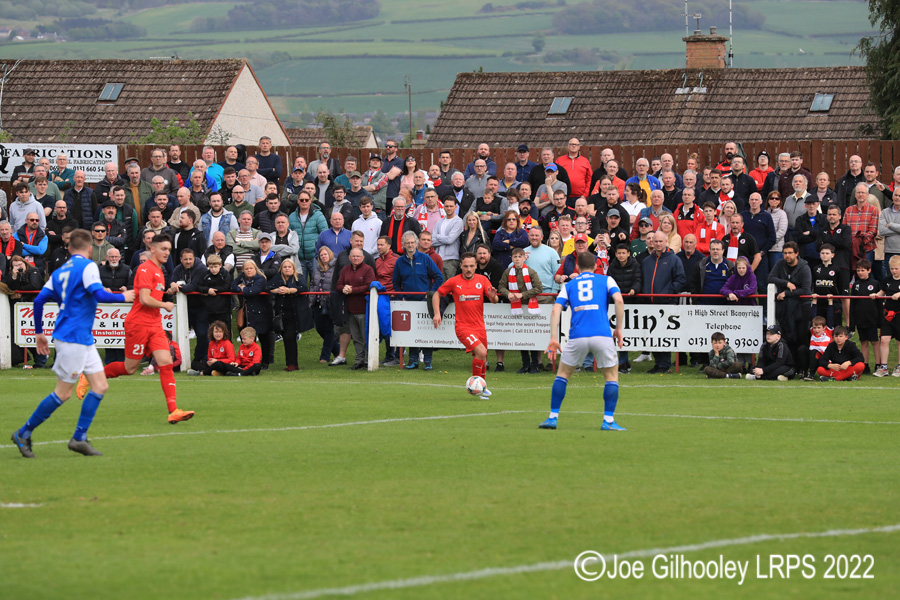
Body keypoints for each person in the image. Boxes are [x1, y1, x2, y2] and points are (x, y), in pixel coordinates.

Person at [10, 230, 136, 458]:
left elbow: (39, 300)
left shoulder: (59, 272)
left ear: (68, 248)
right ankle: (23, 432)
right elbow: (100, 295)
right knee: (63, 393)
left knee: (100, 385)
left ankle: (79, 438)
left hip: (81, 338)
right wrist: (124, 297)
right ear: (89, 249)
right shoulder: (88, 266)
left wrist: (39, 332)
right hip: (73, 337)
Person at [76, 233, 195, 424]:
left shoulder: (160, 270)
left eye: (169, 250)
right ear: (152, 249)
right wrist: (164, 304)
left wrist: (167, 294)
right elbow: (144, 299)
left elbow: (151, 295)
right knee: (129, 368)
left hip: (154, 324)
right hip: (138, 324)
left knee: (165, 362)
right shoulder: (145, 269)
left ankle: (173, 411)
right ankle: (90, 375)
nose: (167, 253)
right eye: (164, 249)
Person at [538, 251, 626, 430]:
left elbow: (556, 310)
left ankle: (553, 417)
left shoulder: (570, 285)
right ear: (595, 266)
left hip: (577, 335)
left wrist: (554, 338)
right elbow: (618, 300)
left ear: (577, 267)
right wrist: (618, 328)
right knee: (611, 377)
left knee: (563, 375)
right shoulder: (606, 280)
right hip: (601, 334)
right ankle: (608, 420)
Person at [431, 252, 499, 398]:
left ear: (476, 266)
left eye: (471, 266)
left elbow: (494, 300)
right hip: (463, 327)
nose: (468, 269)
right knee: (482, 352)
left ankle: (482, 388)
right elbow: (436, 294)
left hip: (479, 326)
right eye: (466, 266)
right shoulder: (454, 281)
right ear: (461, 266)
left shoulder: (482, 280)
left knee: (482, 356)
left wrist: (493, 296)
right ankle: (474, 385)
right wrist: (437, 313)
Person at [499, 247, 544, 373]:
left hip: (530, 307)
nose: (517, 259)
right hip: (516, 309)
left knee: (532, 336)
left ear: (524, 258)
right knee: (521, 337)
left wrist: (522, 295)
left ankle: (535, 364)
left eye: (520, 256)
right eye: (515, 257)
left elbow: (538, 288)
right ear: (512, 258)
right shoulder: (508, 272)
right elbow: (501, 286)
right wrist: (507, 293)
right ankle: (525, 364)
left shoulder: (530, 271)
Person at [268, 259, 313, 371]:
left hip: (295, 314)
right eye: (285, 267)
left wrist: (290, 290)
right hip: (282, 314)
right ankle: (291, 364)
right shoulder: (278, 278)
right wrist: (277, 290)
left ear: (293, 268)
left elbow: (303, 287)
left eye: (289, 267)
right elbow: (267, 287)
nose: (287, 268)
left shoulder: (298, 277)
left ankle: (292, 364)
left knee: (290, 337)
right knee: (286, 337)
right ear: (281, 269)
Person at [233, 259, 275, 367]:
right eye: (246, 269)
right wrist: (239, 288)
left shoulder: (260, 278)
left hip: (262, 312)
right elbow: (232, 285)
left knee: (264, 337)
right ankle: (247, 361)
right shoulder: (242, 277)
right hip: (248, 312)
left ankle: (265, 361)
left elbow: (254, 291)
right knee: (248, 337)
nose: (249, 270)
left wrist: (243, 289)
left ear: (255, 269)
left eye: (251, 268)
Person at [849, 259, 881, 373]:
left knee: (874, 342)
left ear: (869, 270)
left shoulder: (875, 283)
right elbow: (852, 305)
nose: (860, 273)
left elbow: (879, 305)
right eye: (858, 270)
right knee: (863, 342)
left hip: (872, 319)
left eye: (863, 270)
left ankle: (878, 365)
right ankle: (865, 364)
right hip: (860, 319)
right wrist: (852, 324)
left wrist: (880, 321)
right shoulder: (856, 285)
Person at [876, 255, 900, 377]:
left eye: (896, 268)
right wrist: (875, 295)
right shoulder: (887, 280)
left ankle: (899, 367)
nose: (894, 271)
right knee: (884, 339)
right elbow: (882, 292)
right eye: (892, 268)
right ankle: (883, 367)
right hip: (888, 314)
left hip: (899, 315)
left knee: (899, 342)